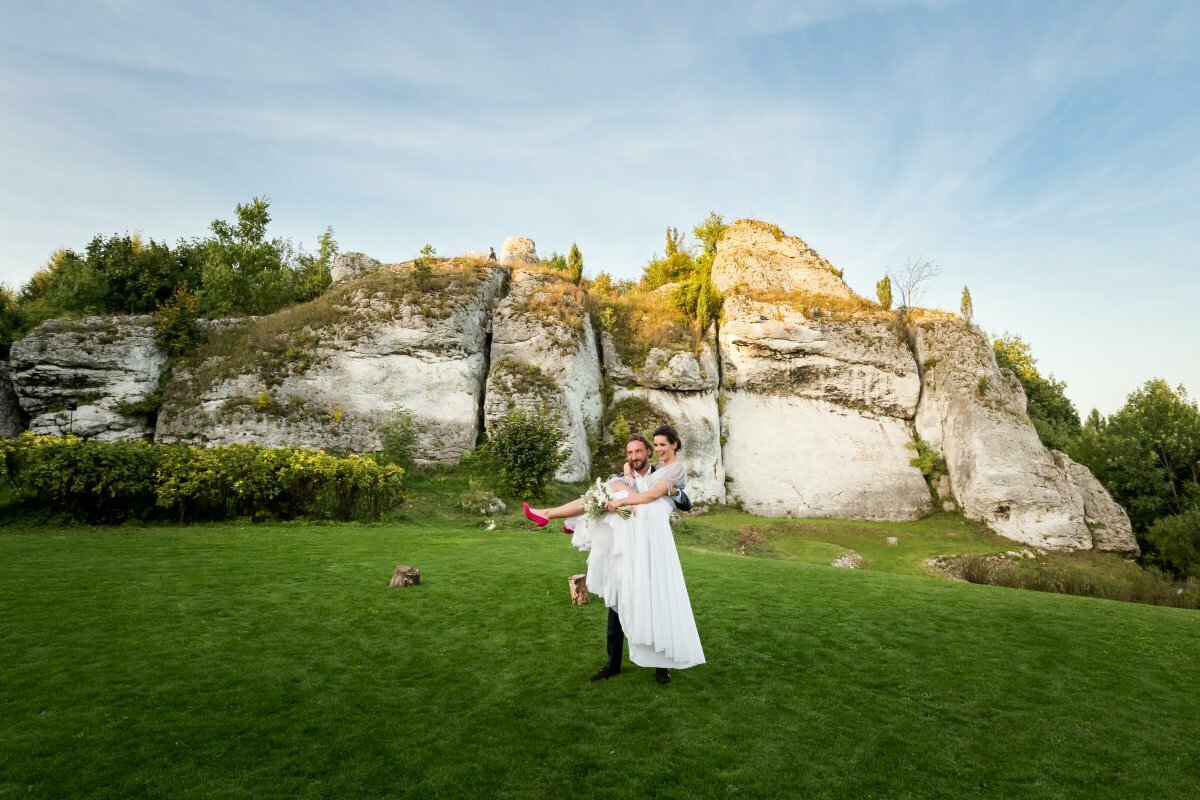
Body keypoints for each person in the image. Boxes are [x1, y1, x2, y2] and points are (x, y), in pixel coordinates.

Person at [523, 426, 705, 684]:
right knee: (618, 602)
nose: (634, 456)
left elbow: (684, 501)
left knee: (655, 600)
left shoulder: (663, 472)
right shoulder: (623, 475)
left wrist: (672, 492)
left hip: (649, 543)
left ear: (648, 452)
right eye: (630, 452)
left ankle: (662, 668)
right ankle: (612, 664)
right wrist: (626, 478)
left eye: (639, 451)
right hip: (628, 544)